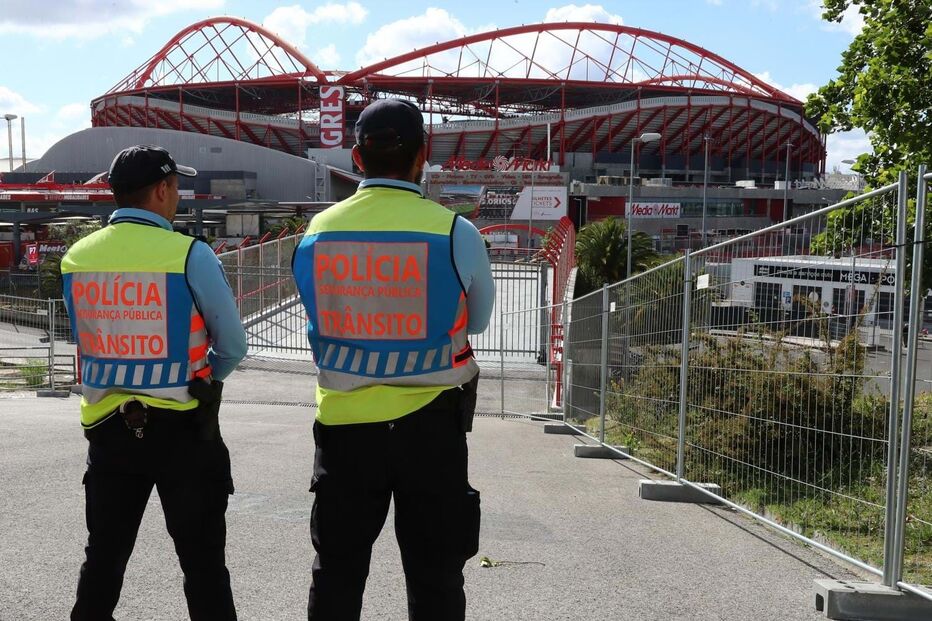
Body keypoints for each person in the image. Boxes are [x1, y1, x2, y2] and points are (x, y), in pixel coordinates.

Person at [292, 98, 494, 621]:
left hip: (344, 429)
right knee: (435, 578)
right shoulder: (455, 232)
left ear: (357, 158)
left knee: (336, 575)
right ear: (422, 155)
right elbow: (476, 322)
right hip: (432, 430)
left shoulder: (316, 233)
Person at [62, 145, 247, 621]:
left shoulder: (77, 258)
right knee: (203, 565)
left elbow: (84, 333)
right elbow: (232, 346)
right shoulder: (190, 254)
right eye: (176, 187)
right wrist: (209, 377)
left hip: (107, 430)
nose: (178, 195)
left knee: (103, 560)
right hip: (184, 430)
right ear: (162, 190)